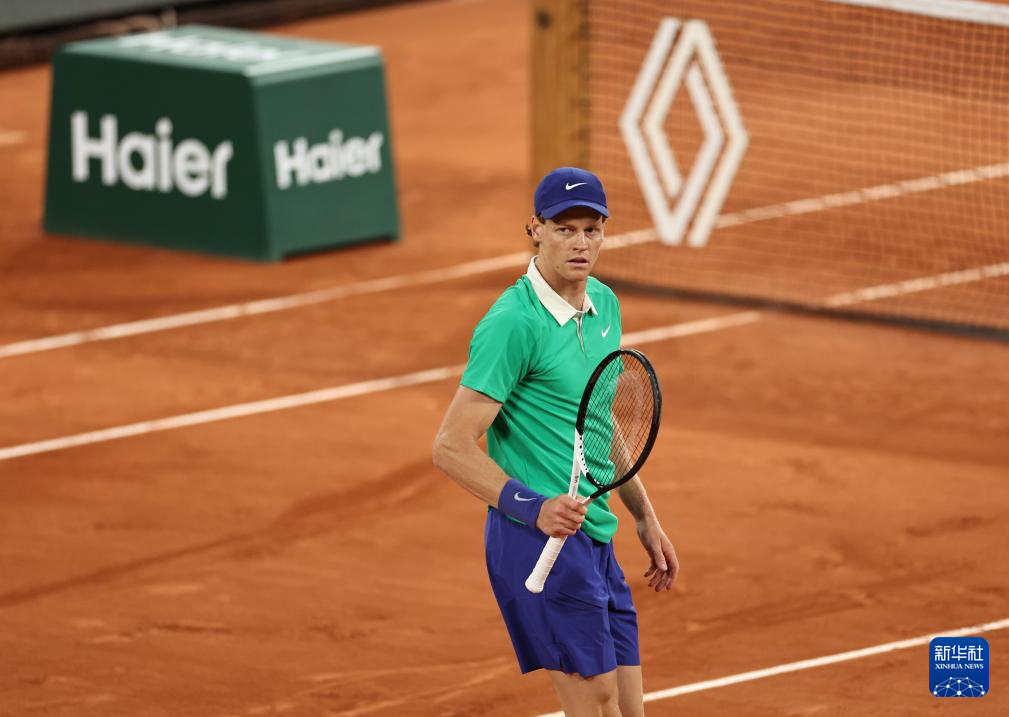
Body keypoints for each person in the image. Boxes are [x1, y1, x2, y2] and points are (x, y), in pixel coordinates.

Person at [432, 167, 679, 716]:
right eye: (565, 229)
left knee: (629, 708)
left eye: (592, 229)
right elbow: (450, 446)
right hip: (536, 538)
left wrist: (644, 516)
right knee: (596, 702)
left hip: (593, 533)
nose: (580, 242)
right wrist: (536, 507)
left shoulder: (605, 306)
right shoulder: (513, 323)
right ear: (535, 230)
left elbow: (599, 424)